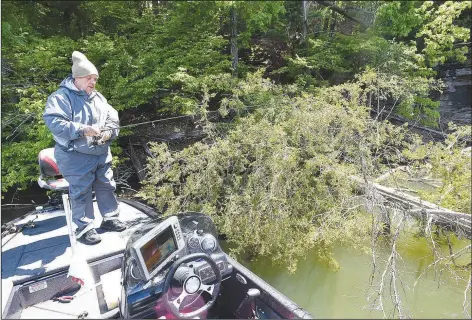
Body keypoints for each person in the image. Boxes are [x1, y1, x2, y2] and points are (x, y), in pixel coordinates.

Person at [43, 51, 127, 245]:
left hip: (100, 153)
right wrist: (83, 130)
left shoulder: (98, 98)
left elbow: (112, 118)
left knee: (107, 185)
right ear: (77, 77)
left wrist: (109, 132)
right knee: (81, 191)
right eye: (89, 78)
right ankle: (84, 228)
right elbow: (54, 122)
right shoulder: (60, 97)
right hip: (74, 156)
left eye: (95, 78)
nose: (93, 82)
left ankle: (110, 218)